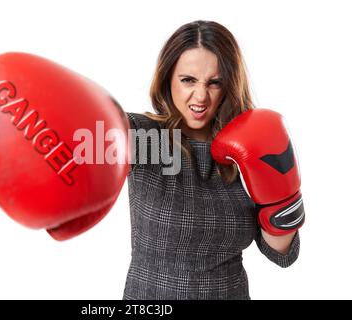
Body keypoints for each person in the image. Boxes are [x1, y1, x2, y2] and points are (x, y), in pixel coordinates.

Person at [122, 20, 303, 300]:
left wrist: (282, 196)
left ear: (229, 84)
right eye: (188, 80)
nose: (201, 96)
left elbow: (281, 254)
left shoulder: (250, 142)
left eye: (214, 82)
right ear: (168, 79)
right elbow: (76, 146)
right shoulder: (144, 135)